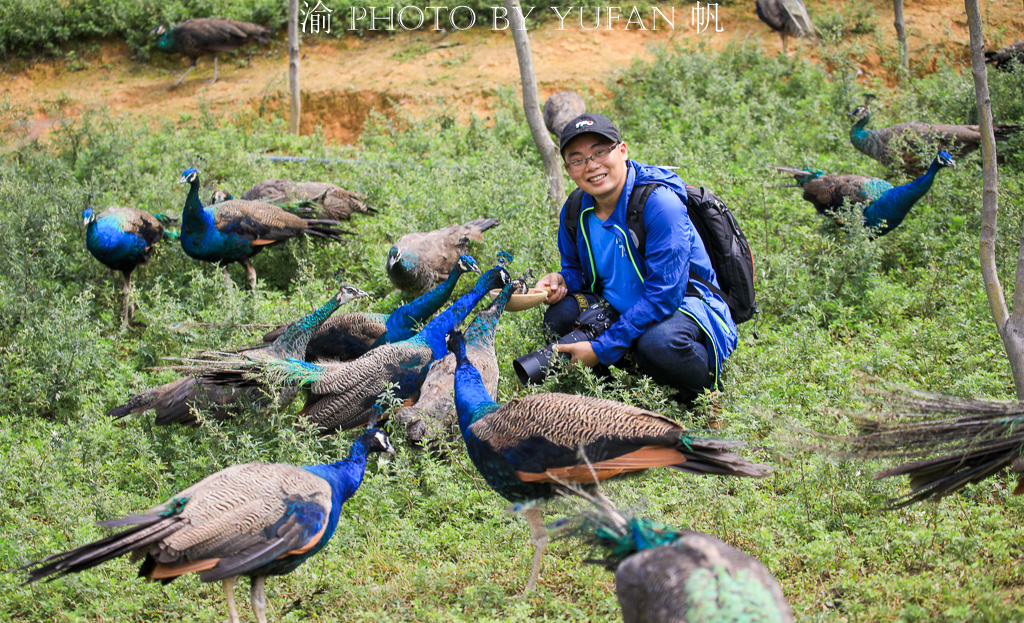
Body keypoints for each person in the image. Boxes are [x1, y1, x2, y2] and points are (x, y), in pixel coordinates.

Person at [536, 113, 737, 404]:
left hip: (684, 305)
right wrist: (562, 280)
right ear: (568, 169)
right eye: (578, 159)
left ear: (622, 150)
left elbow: (663, 297)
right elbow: (578, 271)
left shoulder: (660, 205)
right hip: (621, 308)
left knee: (657, 343)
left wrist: (602, 347)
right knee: (559, 316)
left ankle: (705, 394)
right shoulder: (575, 208)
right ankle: (616, 390)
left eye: (600, 152)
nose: (591, 166)